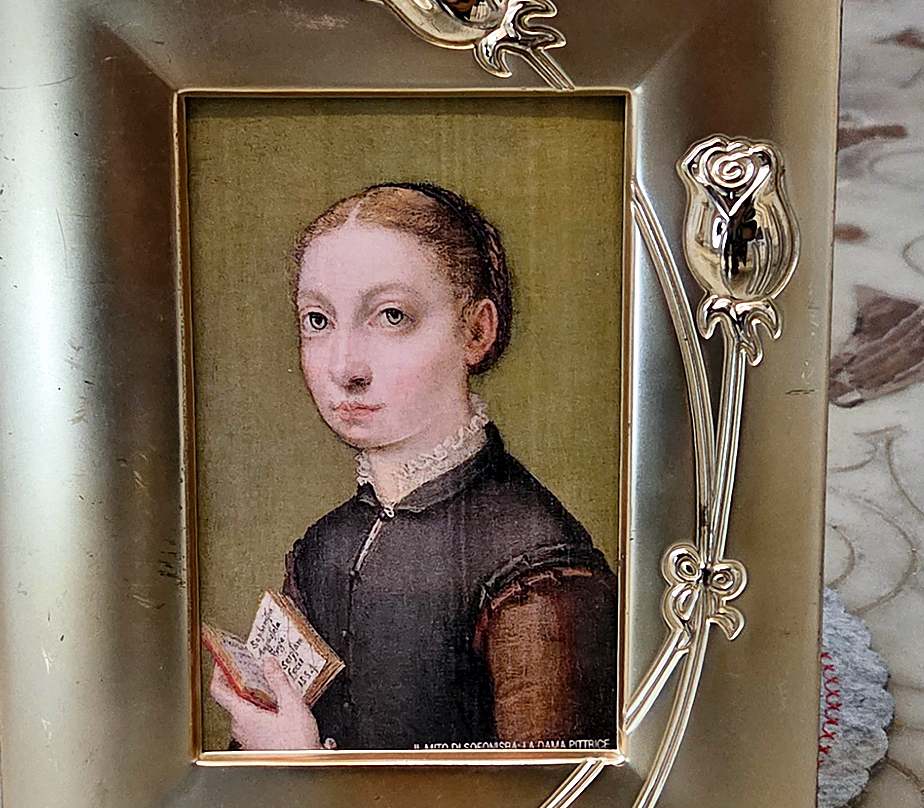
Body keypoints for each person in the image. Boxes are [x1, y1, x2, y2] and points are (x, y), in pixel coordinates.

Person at [209, 181, 618, 752]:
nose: (345, 367)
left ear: (476, 332)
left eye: (391, 315)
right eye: (318, 321)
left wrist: (303, 768)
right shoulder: (323, 548)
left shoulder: (538, 566)